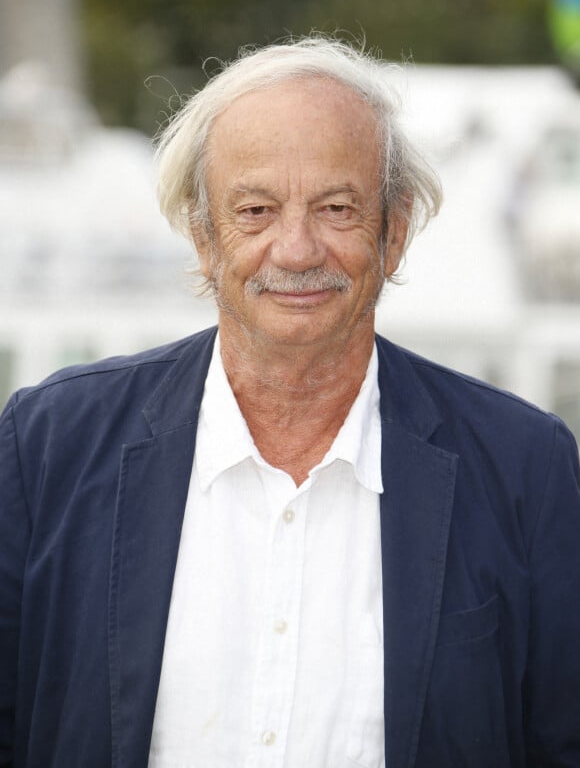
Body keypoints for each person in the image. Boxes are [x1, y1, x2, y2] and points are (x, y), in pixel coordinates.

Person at [1, 38, 579, 768]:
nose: (297, 249)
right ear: (205, 237)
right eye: (256, 210)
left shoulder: (524, 465)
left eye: (337, 207)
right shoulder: (48, 444)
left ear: (393, 232)